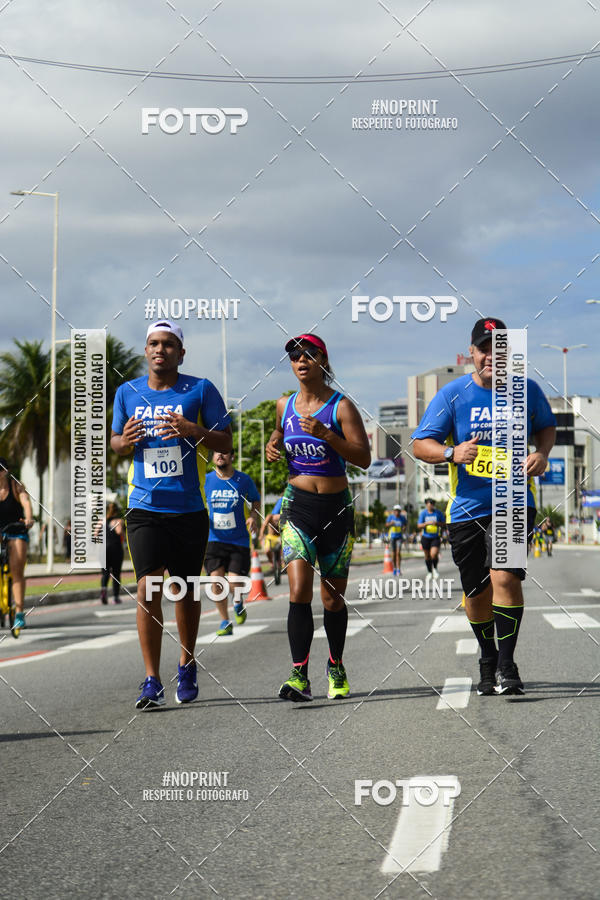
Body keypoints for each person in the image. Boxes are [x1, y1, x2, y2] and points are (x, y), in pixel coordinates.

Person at [412, 317, 556, 696]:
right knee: (476, 593)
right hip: (467, 508)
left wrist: (542, 453)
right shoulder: (452, 395)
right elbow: (420, 444)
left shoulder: (527, 390)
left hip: (514, 500)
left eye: (500, 350)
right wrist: (451, 452)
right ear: (472, 353)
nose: (492, 356)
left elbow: (546, 426)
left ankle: (507, 665)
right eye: (484, 349)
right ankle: (487, 657)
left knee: (504, 577)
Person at [111, 320, 231, 709]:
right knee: (148, 588)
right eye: (153, 343)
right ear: (146, 350)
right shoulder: (127, 392)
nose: (159, 349)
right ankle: (151, 680)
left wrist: (192, 429)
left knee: (183, 590)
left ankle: (187, 663)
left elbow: (226, 440)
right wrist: (124, 441)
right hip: (144, 507)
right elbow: (115, 440)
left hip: (188, 508)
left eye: (167, 344)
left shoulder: (201, 389)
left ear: (181, 353)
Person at [266, 334, 371, 701]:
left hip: (335, 508)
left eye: (309, 354)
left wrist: (327, 435)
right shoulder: (284, 405)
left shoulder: (341, 407)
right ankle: (299, 675)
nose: (301, 360)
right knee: (298, 590)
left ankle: (336, 665)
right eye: (295, 355)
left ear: (323, 360)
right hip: (297, 506)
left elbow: (363, 458)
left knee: (332, 599)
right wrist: (273, 443)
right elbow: (280, 430)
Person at [204, 449, 260, 635]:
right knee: (216, 582)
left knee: (235, 582)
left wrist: (253, 517)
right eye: (216, 453)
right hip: (214, 539)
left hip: (238, 540)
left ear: (232, 456)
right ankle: (225, 622)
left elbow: (255, 500)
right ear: (213, 457)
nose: (220, 455)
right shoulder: (206, 480)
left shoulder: (243, 480)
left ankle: (237, 602)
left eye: (224, 453)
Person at [0, 458, 34, 631]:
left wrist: (28, 519)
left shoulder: (16, 486)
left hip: (16, 531)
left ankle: (19, 613)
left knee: (17, 569)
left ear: (6, 471)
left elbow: (26, 503)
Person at [100, 503, 125, 605]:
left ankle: (103, 590)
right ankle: (115, 597)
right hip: (115, 549)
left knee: (105, 573)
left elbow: (95, 534)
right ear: (117, 511)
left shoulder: (101, 521)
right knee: (116, 574)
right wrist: (123, 534)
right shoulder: (118, 521)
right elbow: (119, 532)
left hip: (103, 550)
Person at [417, 499, 445, 581]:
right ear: (426, 505)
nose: (430, 506)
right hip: (425, 537)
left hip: (435, 537)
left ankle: (435, 569)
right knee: (427, 556)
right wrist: (426, 523)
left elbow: (444, 524)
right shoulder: (423, 513)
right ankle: (429, 571)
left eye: (432, 504)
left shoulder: (438, 513)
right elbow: (419, 525)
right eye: (428, 504)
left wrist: (437, 523)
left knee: (433, 554)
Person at [259, 496, 283, 579]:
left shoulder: (283, 517)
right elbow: (264, 525)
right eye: (276, 518)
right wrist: (261, 534)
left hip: (279, 537)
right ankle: (271, 563)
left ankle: (281, 562)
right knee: (267, 551)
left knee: (284, 549)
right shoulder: (270, 516)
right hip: (271, 537)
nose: (276, 521)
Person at [385, 504, 407, 575]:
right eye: (396, 511)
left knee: (398, 552)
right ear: (394, 511)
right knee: (394, 554)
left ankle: (399, 569)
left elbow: (405, 525)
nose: (397, 512)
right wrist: (390, 523)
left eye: (398, 511)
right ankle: (394, 568)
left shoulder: (402, 518)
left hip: (399, 537)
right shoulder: (391, 517)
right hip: (392, 537)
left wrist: (404, 528)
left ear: (400, 511)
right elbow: (386, 525)